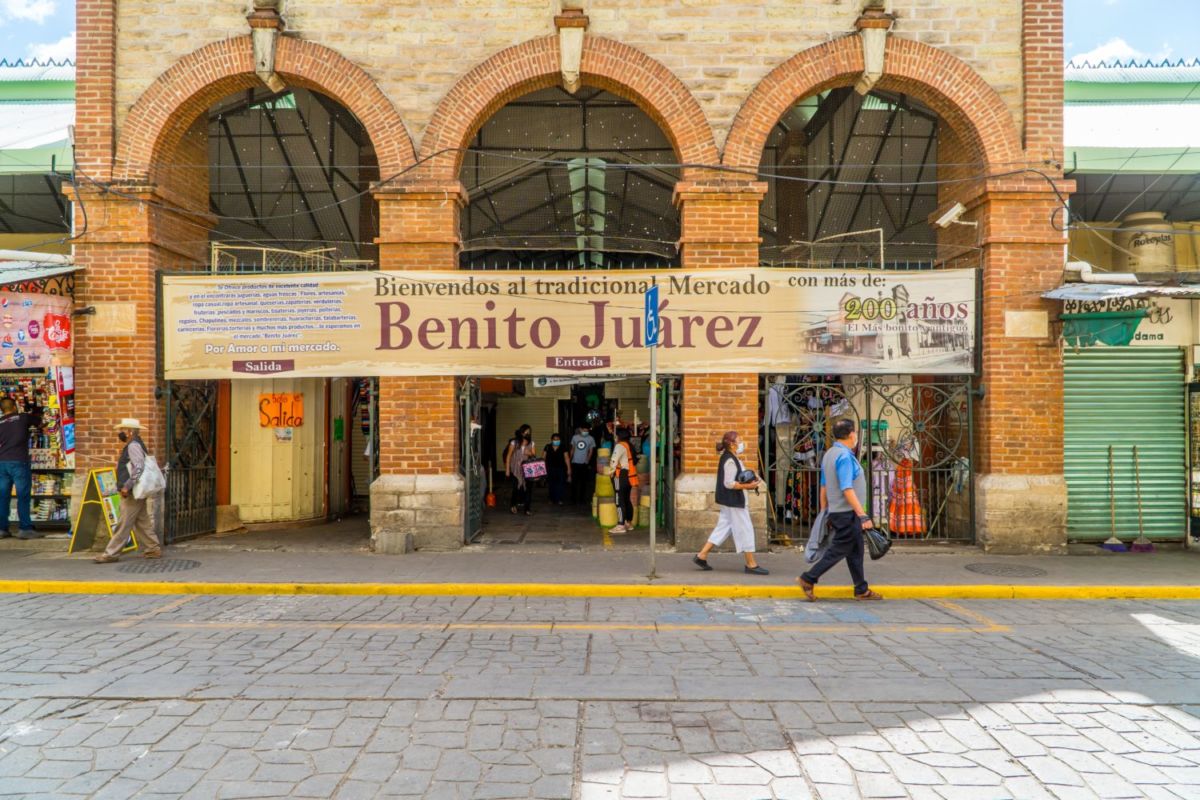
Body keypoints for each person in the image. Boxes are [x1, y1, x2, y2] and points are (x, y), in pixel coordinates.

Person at [798, 418, 883, 601]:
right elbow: (846, 488)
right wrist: (862, 516)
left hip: (838, 511)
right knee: (839, 549)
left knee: (856, 550)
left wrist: (824, 511)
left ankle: (861, 589)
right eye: (855, 434)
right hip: (847, 513)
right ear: (852, 434)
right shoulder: (844, 457)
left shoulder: (830, 454)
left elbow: (823, 486)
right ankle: (808, 578)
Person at [693, 431, 768, 575]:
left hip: (729, 501)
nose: (742, 443)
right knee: (746, 529)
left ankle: (701, 555)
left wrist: (752, 478)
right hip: (734, 501)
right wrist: (748, 486)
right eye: (739, 440)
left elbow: (740, 474)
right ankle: (751, 564)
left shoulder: (733, 458)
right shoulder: (730, 460)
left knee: (723, 527)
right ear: (733, 444)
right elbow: (729, 483)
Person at [94, 418, 162, 563]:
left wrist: (127, 485)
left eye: (123, 430)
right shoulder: (136, 443)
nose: (120, 433)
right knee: (142, 521)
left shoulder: (133, 446)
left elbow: (138, 466)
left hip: (131, 491)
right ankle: (153, 548)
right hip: (137, 491)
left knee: (123, 523)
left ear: (130, 432)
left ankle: (111, 554)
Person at [0, 397, 38, 540]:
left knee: (3, 497)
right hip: (19, 462)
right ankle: (25, 529)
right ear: (15, 407)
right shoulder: (23, 418)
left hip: (2, 463)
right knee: (23, 496)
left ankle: (2, 529)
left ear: (2, 410)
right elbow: (41, 423)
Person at [608, 428, 638, 534]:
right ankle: (628, 523)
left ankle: (620, 525)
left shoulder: (620, 445)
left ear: (619, 436)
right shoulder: (629, 445)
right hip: (629, 476)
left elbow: (613, 460)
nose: (615, 437)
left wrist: (610, 472)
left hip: (620, 475)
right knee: (626, 499)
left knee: (618, 500)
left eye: (616, 435)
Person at [506, 427, 535, 516]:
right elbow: (509, 456)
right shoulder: (514, 442)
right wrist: (507, 469)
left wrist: (529, 453)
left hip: (527, 469)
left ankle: (527, 509)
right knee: (516, 489)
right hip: (515, 469)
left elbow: (534, 455)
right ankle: (513, 505)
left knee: (528, 489)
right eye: (525, 432)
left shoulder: (531, 443)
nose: (527, 434)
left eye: (528, 432)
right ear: (521, 432)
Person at [569, 424, 596, 505]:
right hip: (575, 462)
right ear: (580, 429)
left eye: (587, 431)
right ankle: (573, 499)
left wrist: (587, 460)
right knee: (574, 482)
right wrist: (570, 459)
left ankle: (582, 499)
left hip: (584, 463)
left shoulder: (591, 438)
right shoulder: (575, 437)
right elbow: (572, 449)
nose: (585, 432)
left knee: (583, 482)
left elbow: (591, 451)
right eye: (584, 430)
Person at [543, 433, 570, 506]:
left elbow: (566, 458)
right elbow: (543, 458)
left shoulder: (563, 447)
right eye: (554, 439)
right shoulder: (547, 447)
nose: (556, 441)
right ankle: (551, 499)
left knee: (560, 484)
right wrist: (542, 469)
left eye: (558, 439)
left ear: (560, 440)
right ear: (551, 440)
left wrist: (569, 469)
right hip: (550, 468)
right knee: (551, 484)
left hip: (561, 469)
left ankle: (559, 499)